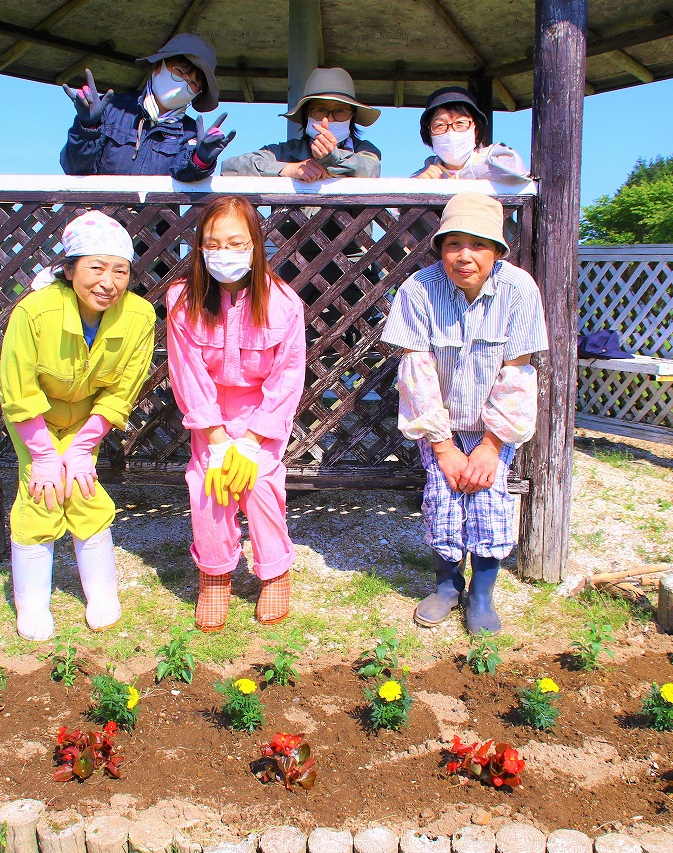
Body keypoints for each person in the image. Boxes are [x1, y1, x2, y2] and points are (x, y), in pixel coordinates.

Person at [380, 192, 548, 635]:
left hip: (496, 426)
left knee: (490, 498)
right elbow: (416, 374)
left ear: (497, 250)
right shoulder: (419, 290)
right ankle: (447, 586)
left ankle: (482, 594)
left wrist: (492, 447)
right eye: (454, 243)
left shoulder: (520, 290)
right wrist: (445, 447)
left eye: (479, 244)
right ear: (439, 247)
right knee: (444, 497)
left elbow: (518, 373)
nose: (465, 256)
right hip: (441, 426)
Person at [0, 211, 157, 639]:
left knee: (84, 490)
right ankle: (31, 605)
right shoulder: (35, 311)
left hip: (88, 421)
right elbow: (17, 386)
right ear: (68, 270)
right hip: (35, 418)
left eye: (120, 271)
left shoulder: (139, 316)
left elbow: (123, 388)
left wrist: (83, 447)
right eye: (96, 268)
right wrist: (45, 454)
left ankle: (101, 593)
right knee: (41, 492)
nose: (109, 282)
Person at [165, 196, 307, 632]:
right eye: (213, 243)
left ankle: (275, 570)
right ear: (200, 248)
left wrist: (249, 442)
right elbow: (187, 374)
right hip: (210, 419)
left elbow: (286, 378)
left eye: (235, 243)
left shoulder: (284, 303)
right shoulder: (181, 299)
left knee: (260, 483)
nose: (223, 253)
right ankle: (215, 573)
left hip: (262, 418)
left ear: (255, 244)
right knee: (208, 483)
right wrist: (219, 440)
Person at [59, 34, 235, 181]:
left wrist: (200, 161)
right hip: (99, 219)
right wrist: (86, 128)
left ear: (198, 93)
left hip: (156, 222)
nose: (183, 84)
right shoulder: (112, 109)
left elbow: (183, 173)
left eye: (193, 83)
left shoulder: (191, 132)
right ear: (158, 66)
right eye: (179, 72)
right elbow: (75, 168)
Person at [221, 67, 381, 179]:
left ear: (352, 116)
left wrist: (333, 158)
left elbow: (371, 169)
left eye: (340, 111)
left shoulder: (365, 150)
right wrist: (287, 169)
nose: (328, 119)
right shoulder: (285, 152)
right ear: (306, 115)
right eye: (320, 110)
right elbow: (230, 167)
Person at [412, 87, 531, 189]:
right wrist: (416, 186)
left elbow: (517, 172)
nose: (451, 132)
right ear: (429, 134)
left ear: (476, 130)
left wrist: (463, 175)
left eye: (460, 123)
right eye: (440, 126)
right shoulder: (429, 169)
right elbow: (395, 210)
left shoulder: (491, 156)